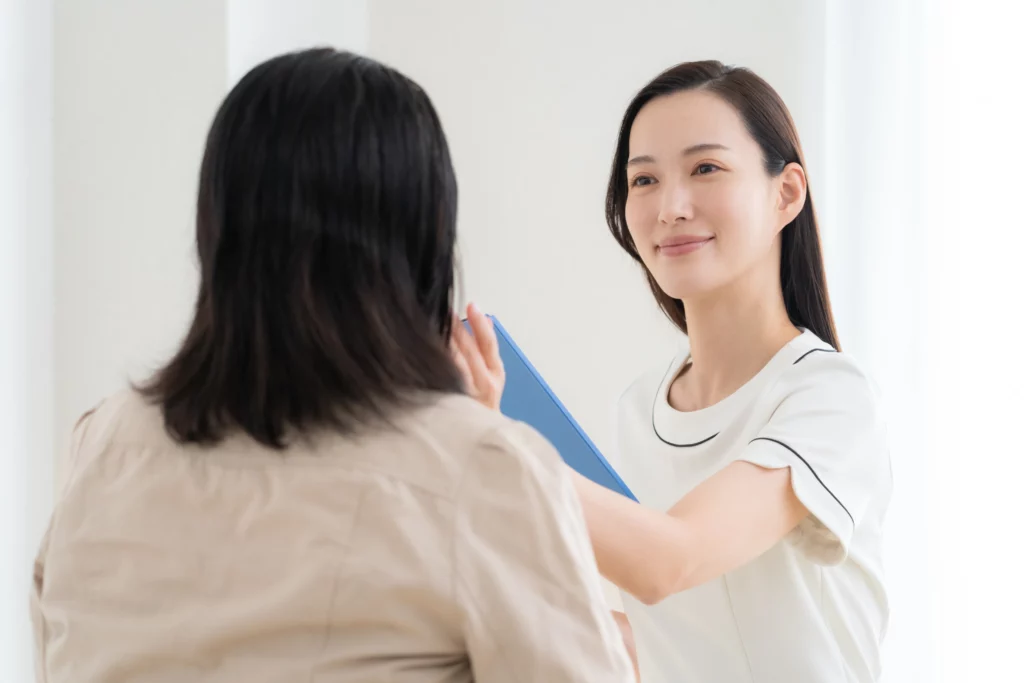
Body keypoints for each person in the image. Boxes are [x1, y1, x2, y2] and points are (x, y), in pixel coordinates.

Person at [29, 48, 635, 683]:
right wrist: (476, 441)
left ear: (220, 229)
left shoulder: (101, 441)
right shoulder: (483, 469)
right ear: (421, 237)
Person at [457, 61, 892, 682]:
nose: (670, 207)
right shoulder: (638, 409)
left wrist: (504, 440)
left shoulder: (828, 397)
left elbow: (670, 561)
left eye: (705, 168)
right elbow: (655, 634)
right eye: (644, 180)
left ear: (786, 193)